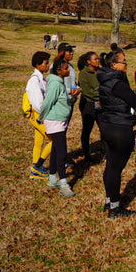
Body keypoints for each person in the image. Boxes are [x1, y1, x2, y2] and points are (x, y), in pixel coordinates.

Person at [97, 48, 136, 219]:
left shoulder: (104, 80)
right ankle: (115, 208)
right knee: (115, 169)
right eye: (123, 61)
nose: (126, 64)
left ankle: (110, 201)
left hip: (108, 125)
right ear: (114, 65)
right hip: (120, 127)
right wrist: (134, 96)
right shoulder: (117, 83)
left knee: (110, 166)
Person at [40, 54, 80, 198]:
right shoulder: (55, 83)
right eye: (65, 68)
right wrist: (41, 117)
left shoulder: (59, 83)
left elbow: (60, 94)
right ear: (58, 70)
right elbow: (48, 101)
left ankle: (52, 179)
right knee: (62, 152)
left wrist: (72, 92)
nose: (68, 70)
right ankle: (63, 184)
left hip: (59, 119)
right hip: (54, 120)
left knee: (56, 150)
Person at [26, 51, 52, 179]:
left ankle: (35, 170)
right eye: (46, 63)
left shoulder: (41, 78)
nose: (48, 65)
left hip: (39, 115)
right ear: (38, 64)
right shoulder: (34, 80)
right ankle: (37, 166)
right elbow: (38, 102)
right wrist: (43, 117)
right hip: (39, 115)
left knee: (39, 141)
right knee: (56, 140)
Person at [77, 51, 101, 165]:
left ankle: (105, 149)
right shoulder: (83, 74)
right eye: (95, 59)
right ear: (88, 61)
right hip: (88, 104)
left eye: (98, 59)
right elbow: (87, 92)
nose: (98, 61)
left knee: (104, 127)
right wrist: (102, 94)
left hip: (100, 104)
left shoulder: (100, 71)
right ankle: (86, 154)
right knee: (87, 130)